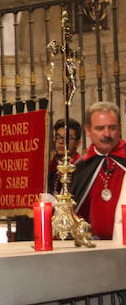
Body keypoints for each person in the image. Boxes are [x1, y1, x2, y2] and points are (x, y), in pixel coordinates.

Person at [72, 102, 125, 240]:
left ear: (119, 128)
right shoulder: (80, 168)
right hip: (93, 247)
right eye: (100, 128)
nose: (107, 134)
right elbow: (75, 212)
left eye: (112, 128)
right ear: (88, 131)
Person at [48, 117, 83, 195]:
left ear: (78, 143)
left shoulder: (81, 169)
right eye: (58, 137)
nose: (60, 141)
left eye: (67, 138)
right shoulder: (49, 168)